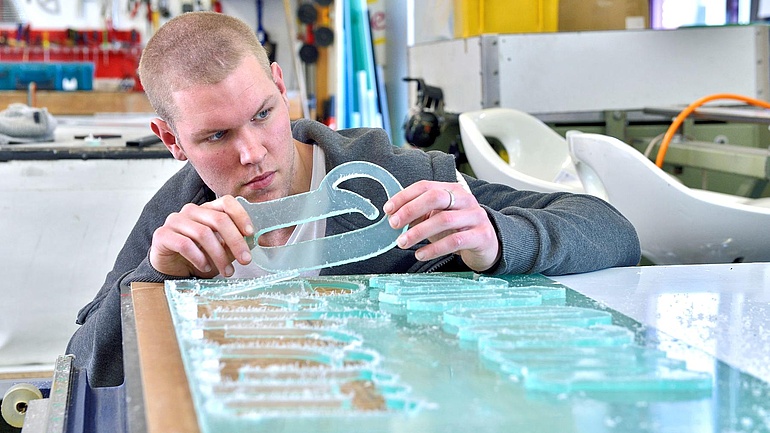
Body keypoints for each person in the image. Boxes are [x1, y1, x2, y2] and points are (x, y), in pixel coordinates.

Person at [67, 11, 640, 388]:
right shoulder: (179, 212)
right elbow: (85, 362)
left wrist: (496, 237)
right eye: (216, 137)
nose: (253, 154)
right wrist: (151, 279)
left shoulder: (387, 177)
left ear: (280, 85)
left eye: (264, 115)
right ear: (171, 139)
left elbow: (612, 229)